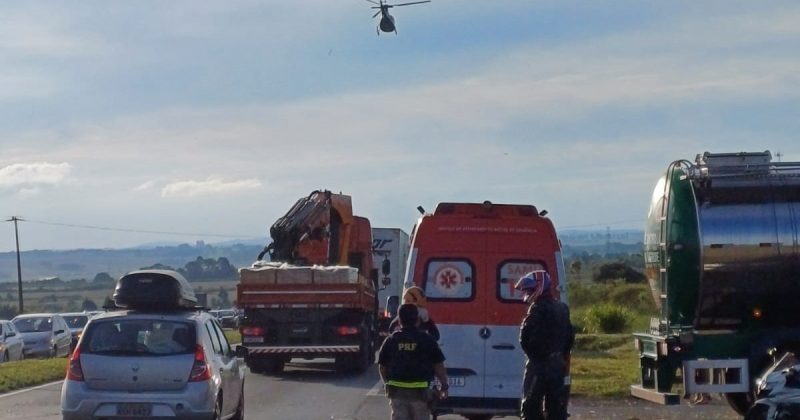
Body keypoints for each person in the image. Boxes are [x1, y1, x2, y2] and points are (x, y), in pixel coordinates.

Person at [515, 270, 574, 420]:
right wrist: (561, 356)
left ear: (540, 287)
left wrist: (535, 357)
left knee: (530, 407)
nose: (527, 293)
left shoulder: (537, 309)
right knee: (557, 408)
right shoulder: (562, 308)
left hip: (539, 365)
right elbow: (570, 337)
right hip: (558, 365)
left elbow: (524, 337)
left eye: (529, 289)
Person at [379, 303, 449, 420]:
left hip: (397, 394)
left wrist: (387, 383)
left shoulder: (391, 341)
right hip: (420, 394)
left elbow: (382, 366)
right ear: (417, 320)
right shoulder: (427, 340)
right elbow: (438, 366)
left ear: (399, 321)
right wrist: (444, 386)